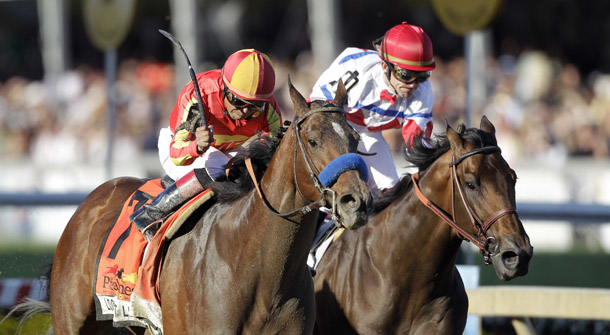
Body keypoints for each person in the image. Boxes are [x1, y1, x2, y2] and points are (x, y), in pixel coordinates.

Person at [131, 49, 282, 241]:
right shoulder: (200, 94)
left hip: (227, 151)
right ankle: (151, 215)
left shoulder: (269, 109)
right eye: (237, 101)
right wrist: (197, 146)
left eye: (254, 107)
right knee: (213, 168)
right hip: (180, 148)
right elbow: (176, 153)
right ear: (224, 88)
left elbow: (271, 149)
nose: (244, 111)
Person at [309, 22, 436, 196]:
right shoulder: (354, 68)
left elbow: (417, 148)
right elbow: (316, 113)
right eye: (405, 75)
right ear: (385, 66)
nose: (414, 84)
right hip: (334, 130)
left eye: (422, 75)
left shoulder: (423, 91)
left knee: (391, 193)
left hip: (368, 133)